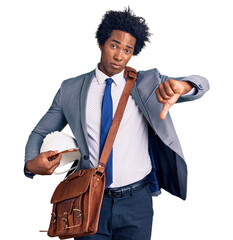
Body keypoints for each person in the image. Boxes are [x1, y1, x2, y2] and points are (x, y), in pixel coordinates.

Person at [24, 7, 209, 240]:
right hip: (89, 199)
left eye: (127, 50)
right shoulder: (70, 89)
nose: (120, 56)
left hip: (137, 203)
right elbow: (40, 131)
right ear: (102, 43)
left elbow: (202, 84)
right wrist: (30, 164)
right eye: (114, 45)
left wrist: (185, 86)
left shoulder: (147, 84)